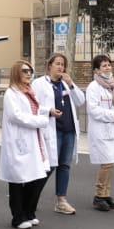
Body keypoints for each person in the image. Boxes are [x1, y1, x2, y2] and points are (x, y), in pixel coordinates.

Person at [0, 59, 54, 229]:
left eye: (30, 70)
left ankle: (29, 212)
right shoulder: (11, 93)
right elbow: (16, 116)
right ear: (16, 72)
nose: (28, 73)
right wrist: (40, 120)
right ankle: (18, 217)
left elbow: (36, 110)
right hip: (19, 141)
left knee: (36, 175)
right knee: (17, 180)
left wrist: (46, 114)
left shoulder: (29, 92)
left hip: (34, 138)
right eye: (25, 70)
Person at [32, 52, 84, 216]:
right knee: (48, 166)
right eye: (57, 64)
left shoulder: (65, 84)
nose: (61, 67)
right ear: (49, 66)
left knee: (64, 166)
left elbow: (80, 101)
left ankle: (61, 201)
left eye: (63, 64)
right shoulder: (39, 84)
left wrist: (72, 84)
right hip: (53, 130)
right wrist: (48, 111)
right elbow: (32, 105)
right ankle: (31, 197)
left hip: (68, 130)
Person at [86, 54, 114, 212]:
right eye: (104, 66)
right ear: (97, 70)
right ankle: (99, 196)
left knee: (110, 164)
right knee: (107, 164)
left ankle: (106, 194)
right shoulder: (93, 87)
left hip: (113, 129)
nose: (108, 68)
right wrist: (113, 116)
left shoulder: (113, 85)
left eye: (109, 65)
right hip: (101, 130)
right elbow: (93, 109)